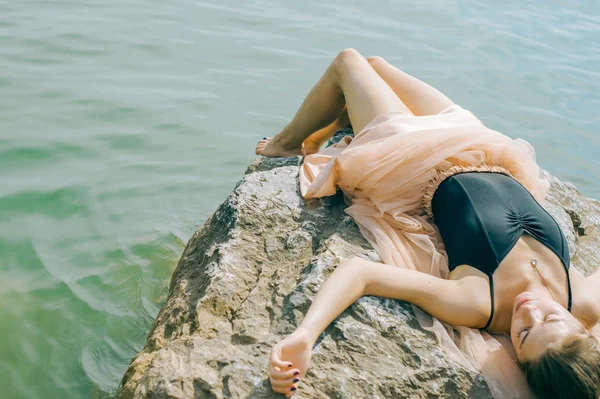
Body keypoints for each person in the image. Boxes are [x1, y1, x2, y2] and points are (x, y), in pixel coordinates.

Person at [255, 49, 600, 398]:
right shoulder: (585, 301)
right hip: (481, 145)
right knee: (377, 65)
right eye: (552, 319)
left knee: (349, 62)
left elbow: (361, 274)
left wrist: (304, 335)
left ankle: (286, 144)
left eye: (524, 334)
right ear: (581, 327)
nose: (531, 312)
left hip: (410, 156)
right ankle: (330, 128)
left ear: (518, 357)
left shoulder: (479, 303)